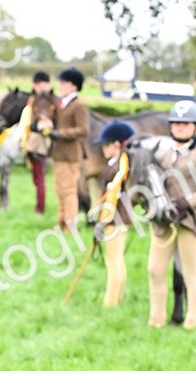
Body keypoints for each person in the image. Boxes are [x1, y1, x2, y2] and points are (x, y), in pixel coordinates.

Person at [145, 100, 196, 330]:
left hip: (190, 222)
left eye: (185, 124)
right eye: (176, 123)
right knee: (155, 269)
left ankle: (193, 322)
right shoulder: (161, 154)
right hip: (164, 222)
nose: (179, 127)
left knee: (191, 273)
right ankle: (156, 319)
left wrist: (188, 202)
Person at [88, 121, 135, 307]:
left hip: (114, 219)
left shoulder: (118, 168)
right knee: (117, 259)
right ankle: (118, 297)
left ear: (117, 145)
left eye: (106, 145)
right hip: (120, 218)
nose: (103, 149)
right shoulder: (118, 165)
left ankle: (110, 302)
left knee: (113, 260)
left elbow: (112, 196)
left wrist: (102, 221)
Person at [43, 67, 90, 230]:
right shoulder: (61, 103)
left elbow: (84, 129)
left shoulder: (79, 105)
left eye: (63, 83)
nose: (60, 85)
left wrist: (59, 133)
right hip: (58, 154)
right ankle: (61, 222)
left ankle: (70, 226)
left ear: (74, 86)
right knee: (59, 190)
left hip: (70, 155)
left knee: (69, 191)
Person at [20, 71, 56, 214]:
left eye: (38, 84)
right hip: (32, 141)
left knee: (39, 177)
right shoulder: (35, 99)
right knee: (37, 177)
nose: (36, 87)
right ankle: (39, 206)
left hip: (40, 143)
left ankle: (40, 208)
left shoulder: (47, 100)